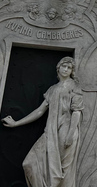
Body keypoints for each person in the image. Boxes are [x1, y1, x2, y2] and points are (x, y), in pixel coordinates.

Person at [2, 56, 84, 187]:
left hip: (66, 130)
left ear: (72, 71)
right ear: (58, 68)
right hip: (50, 132)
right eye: (64, 66)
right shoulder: (52, 89)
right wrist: (16, 123)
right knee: (29, 163)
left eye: (69, 68)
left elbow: (77, 111)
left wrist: (70, 133)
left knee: (63, 173)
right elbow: (39, 111)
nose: (66, 69)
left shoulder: (74, 86)